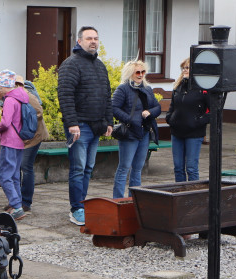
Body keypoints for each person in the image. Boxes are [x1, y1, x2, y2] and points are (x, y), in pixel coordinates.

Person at [57, 26, 113, 225]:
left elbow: (107, 96)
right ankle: (77, 209)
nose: (93, 41)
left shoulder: (99, 65)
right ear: (79, 41)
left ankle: (82, 204)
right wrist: (72, 123)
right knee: (78, 169)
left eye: (96, 38)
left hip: (96, 125)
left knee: (88, 168)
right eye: (89, 38)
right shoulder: (70, 64)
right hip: (79, 126)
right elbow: (65, 96)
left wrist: (109, 121)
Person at [110, 60, 161, 198]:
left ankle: (134, 199)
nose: (140, 75)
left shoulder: (147, 89)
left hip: (144, 132)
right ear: (130, 73)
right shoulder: (123, 89)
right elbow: (114, 108)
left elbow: (157, 107)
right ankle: (118, 200)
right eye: (137, 72)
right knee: (124, 168)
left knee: (138, 169)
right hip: (130, 133)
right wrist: (130, 120)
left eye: (143, 72)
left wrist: (150, 112)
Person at [0, 70, 29, 220]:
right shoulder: (20, 97)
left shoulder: (10, 100)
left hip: (9, 141)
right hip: (19, 141)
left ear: (4, 86)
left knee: (5, 176)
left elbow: (5, 123)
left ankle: (16, 206)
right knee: (14, 175)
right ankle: (17, 204)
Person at [166, 58, 209, 182]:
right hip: (177, 132)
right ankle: (180, 191)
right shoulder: (178, 86)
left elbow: (213, 111)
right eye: (183, 68)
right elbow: (173, 106)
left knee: (191, 168)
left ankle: (193, 192)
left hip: (194, 134)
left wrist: (197, 122)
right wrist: (170, 118)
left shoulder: (203, 88)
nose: (184, 70)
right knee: (178, 168)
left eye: (188, 68)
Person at [16, 75, 48, 213]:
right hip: (21, 136)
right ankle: (16, 200)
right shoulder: (4, 96)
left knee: (25, 166)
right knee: (16, 166)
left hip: (33, 135)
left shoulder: (26, 94)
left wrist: (22, 119)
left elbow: (38, 112)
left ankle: (26, 202)